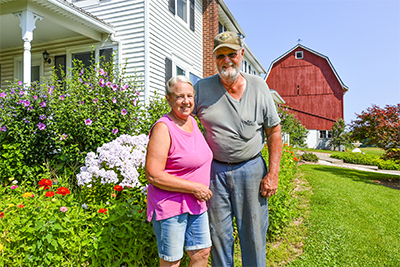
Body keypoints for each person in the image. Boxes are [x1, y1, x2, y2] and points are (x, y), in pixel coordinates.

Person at [192, 31, 282, 267]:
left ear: (241, 54)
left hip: (251, 168)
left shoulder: (258, 86)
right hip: (215, 174)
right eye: (221, 56)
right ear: (215, 58)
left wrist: (273, 174)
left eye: (232, 54)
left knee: (253, 235)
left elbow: (274, 131)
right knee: (219, 236)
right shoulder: (202, 88)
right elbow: (184, 123)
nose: (227, 60)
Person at [145, 75, 213, 267]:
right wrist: (194, 188)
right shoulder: (163, 128)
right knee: (171, 261)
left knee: (201, 252)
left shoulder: (192, 121)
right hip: (171, 205)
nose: (186, 101)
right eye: (179, 96)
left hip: (196, 204)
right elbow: (153, 174)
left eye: (190, 96)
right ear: (168, 99)